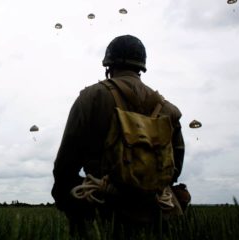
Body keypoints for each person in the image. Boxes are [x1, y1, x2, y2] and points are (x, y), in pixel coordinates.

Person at [51, 35, 186, 238]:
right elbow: (174, 170)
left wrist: (68, 202)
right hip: (154, 214)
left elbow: (64, 167)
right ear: (141, 67)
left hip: (101, 211)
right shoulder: (170, 110)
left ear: (108, 65)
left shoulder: (91, 97)